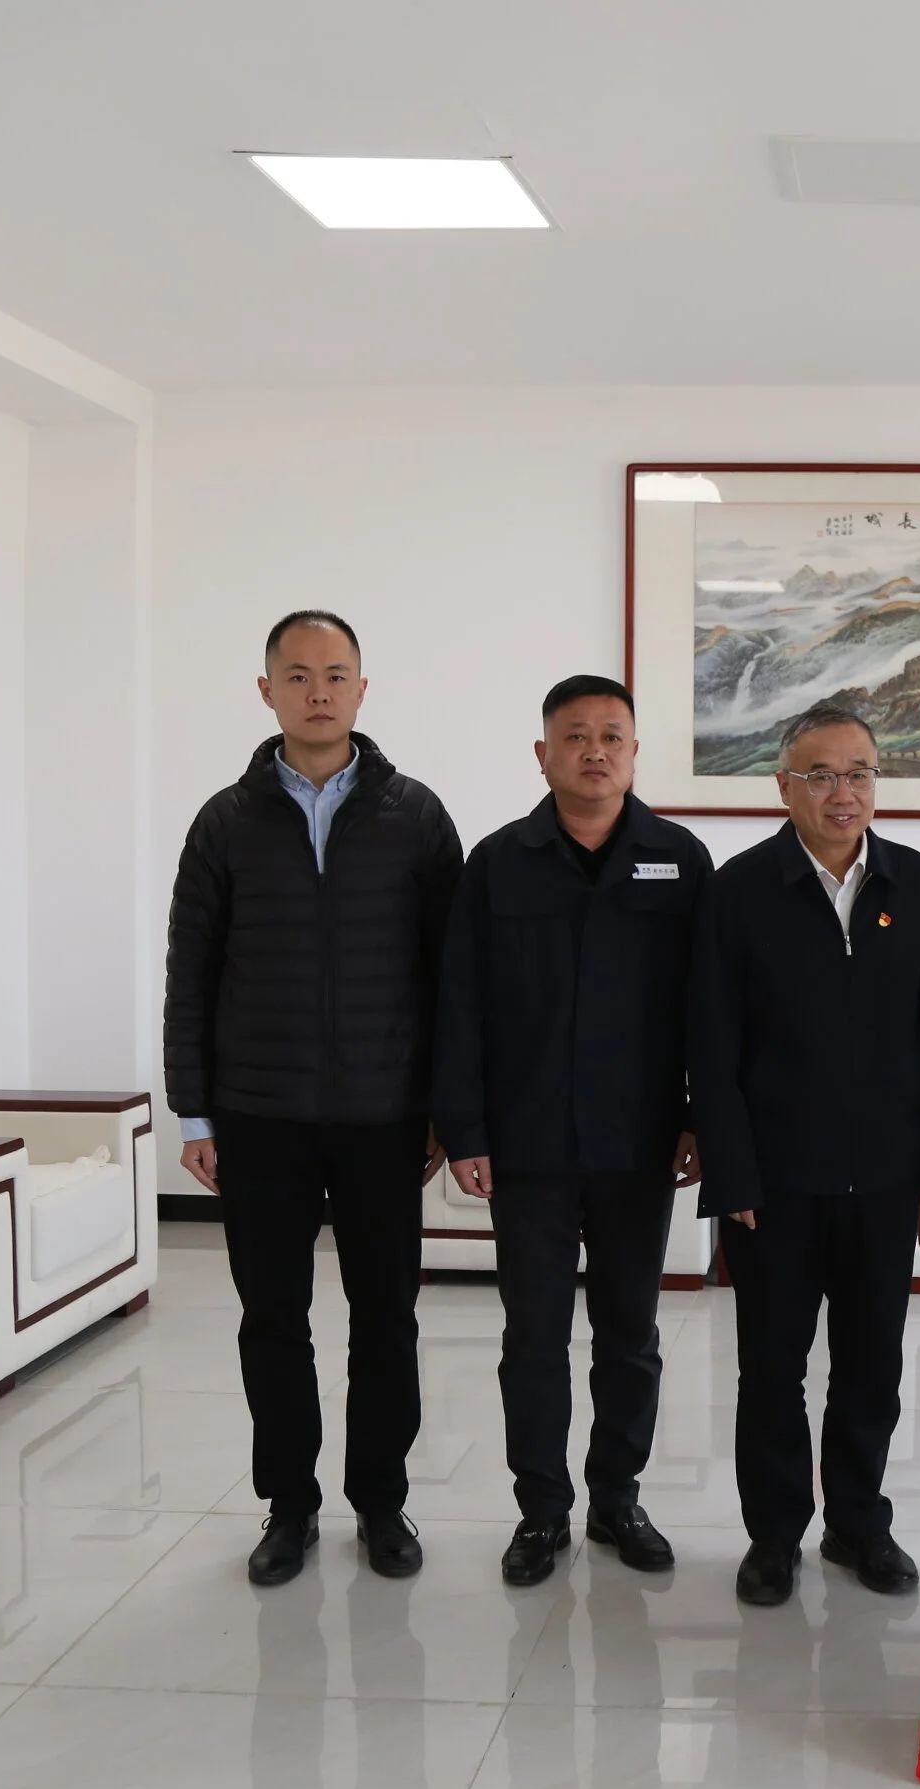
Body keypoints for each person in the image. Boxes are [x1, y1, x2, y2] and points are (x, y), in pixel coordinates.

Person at [164, 610, 463, 1587]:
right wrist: (195, 1112)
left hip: (385, 1114)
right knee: (272, 1320)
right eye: (297, 676)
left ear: (362, 690)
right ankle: (288, 1506)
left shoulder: (415, 816)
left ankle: (381, 1501)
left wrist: (443, 1107)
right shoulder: (225, 821)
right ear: (268, 692)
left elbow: (451, 974)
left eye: (336, 674)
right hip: (261, 1116)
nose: (318, 692)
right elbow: (190, 973)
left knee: (386, 1320)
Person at [434, 675, 710, 1588]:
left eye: (612, 736)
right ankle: (541, 1509)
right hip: (530, 1146)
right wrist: (465, 1129)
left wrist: (698, 1119)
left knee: (630, 1333)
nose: (595, 751)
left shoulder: (680, 859)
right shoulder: (498, 862)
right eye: (576, 735)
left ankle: (617, 1497)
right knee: (534, 1337)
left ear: (634, 752)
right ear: (543, 753)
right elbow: (459, 1003)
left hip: (639, 1143)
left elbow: (709, 1008)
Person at [687, 704, 920, 1607]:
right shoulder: (739, 889)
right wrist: (732, 1171)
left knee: (871, 1364)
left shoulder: (914, 881)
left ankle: (858, 1523)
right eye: (821, 775)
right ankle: (774, 1536)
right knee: (771, 1369)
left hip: (883, 1176)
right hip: (776, 1181)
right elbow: (711, 1044)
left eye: (860, 773)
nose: (843, 793)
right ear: (784, 786)